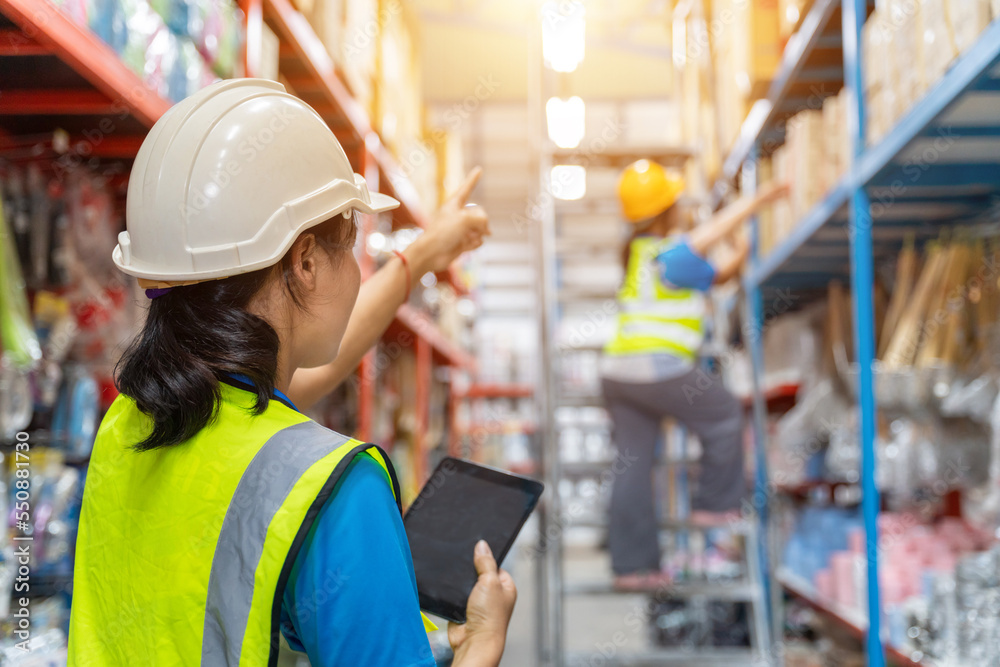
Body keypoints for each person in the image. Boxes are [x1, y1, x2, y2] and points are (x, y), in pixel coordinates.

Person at [67, 79, 516, 667]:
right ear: (305, 261)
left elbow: (295, 386)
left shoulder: (128, 425)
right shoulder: (334, 488)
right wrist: (483, 646)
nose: (355, 274)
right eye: (350, 246)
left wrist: (426, 254)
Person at [601, 159, 787, 590]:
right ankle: (714, 505)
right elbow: (701, 243)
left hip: (619, 375)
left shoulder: (643, 255)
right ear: (665, 210)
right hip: (654, 369)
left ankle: (632, 567)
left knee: (632, 465)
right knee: (723, 412)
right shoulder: (666, 252)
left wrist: (738, 258)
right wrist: (757, 201)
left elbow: (714, 275)